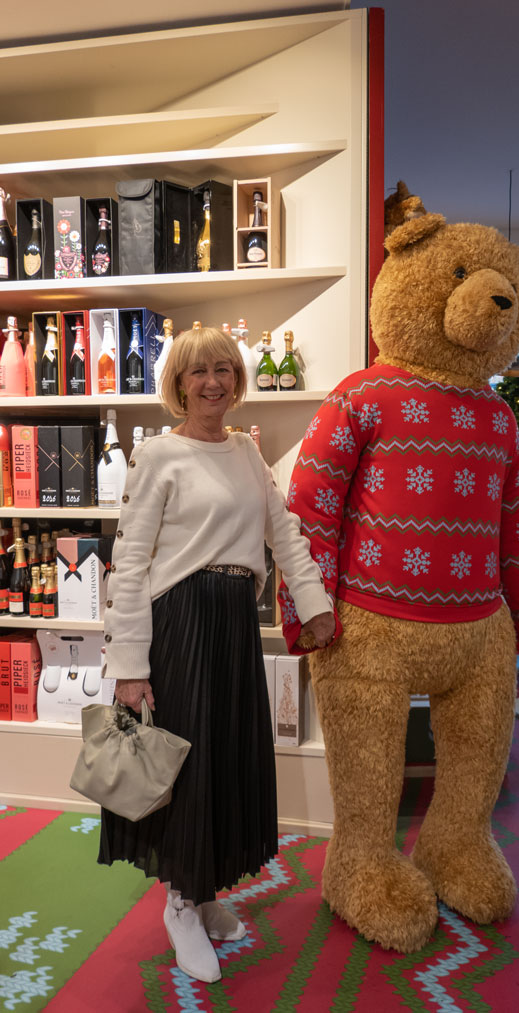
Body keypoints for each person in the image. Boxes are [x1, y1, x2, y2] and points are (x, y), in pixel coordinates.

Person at [98, 324, 335, 983]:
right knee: (188, 766)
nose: (213, 382)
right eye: (199, 371)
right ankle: (180, 904)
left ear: (238, 379)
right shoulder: (157, 455)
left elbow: (284, 534)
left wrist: (313, 603)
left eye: (224, 370)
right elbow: (131, 563)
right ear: (178, 383)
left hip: (233, 622)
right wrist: (129, 667)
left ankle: (202, 894)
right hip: (179, 625)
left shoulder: (246, 454)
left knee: (226, 759)